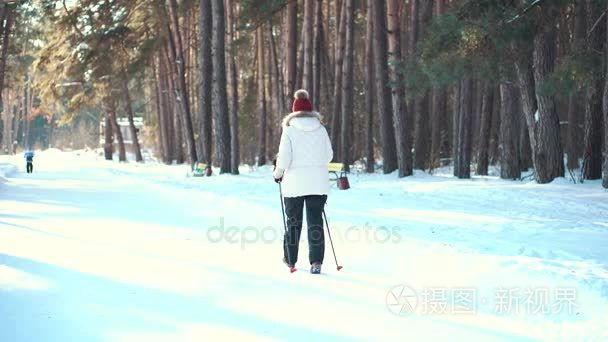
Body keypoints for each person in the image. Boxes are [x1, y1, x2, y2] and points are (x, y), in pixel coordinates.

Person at [273, 89, 333, 274]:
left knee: (293, 221)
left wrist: (278, 174)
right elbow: (329, 156)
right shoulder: (321, 129)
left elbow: (283, 158)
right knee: (315, 221)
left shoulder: (289, 130)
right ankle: (316, 262)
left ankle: (290, 260)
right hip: (318, 183)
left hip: (294, 184)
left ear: (294, 112)